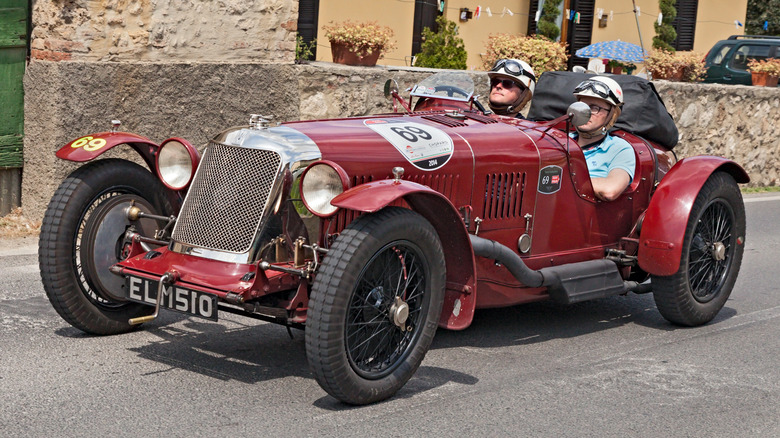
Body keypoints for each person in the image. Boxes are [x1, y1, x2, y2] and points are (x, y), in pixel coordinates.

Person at [571, 76, 636, 202]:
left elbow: (610, 190)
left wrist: (561, 180)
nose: (585, 112)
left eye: (594, 108)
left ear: (611, 114)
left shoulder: (619, 148)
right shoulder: (560, 140)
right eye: (581, 106)